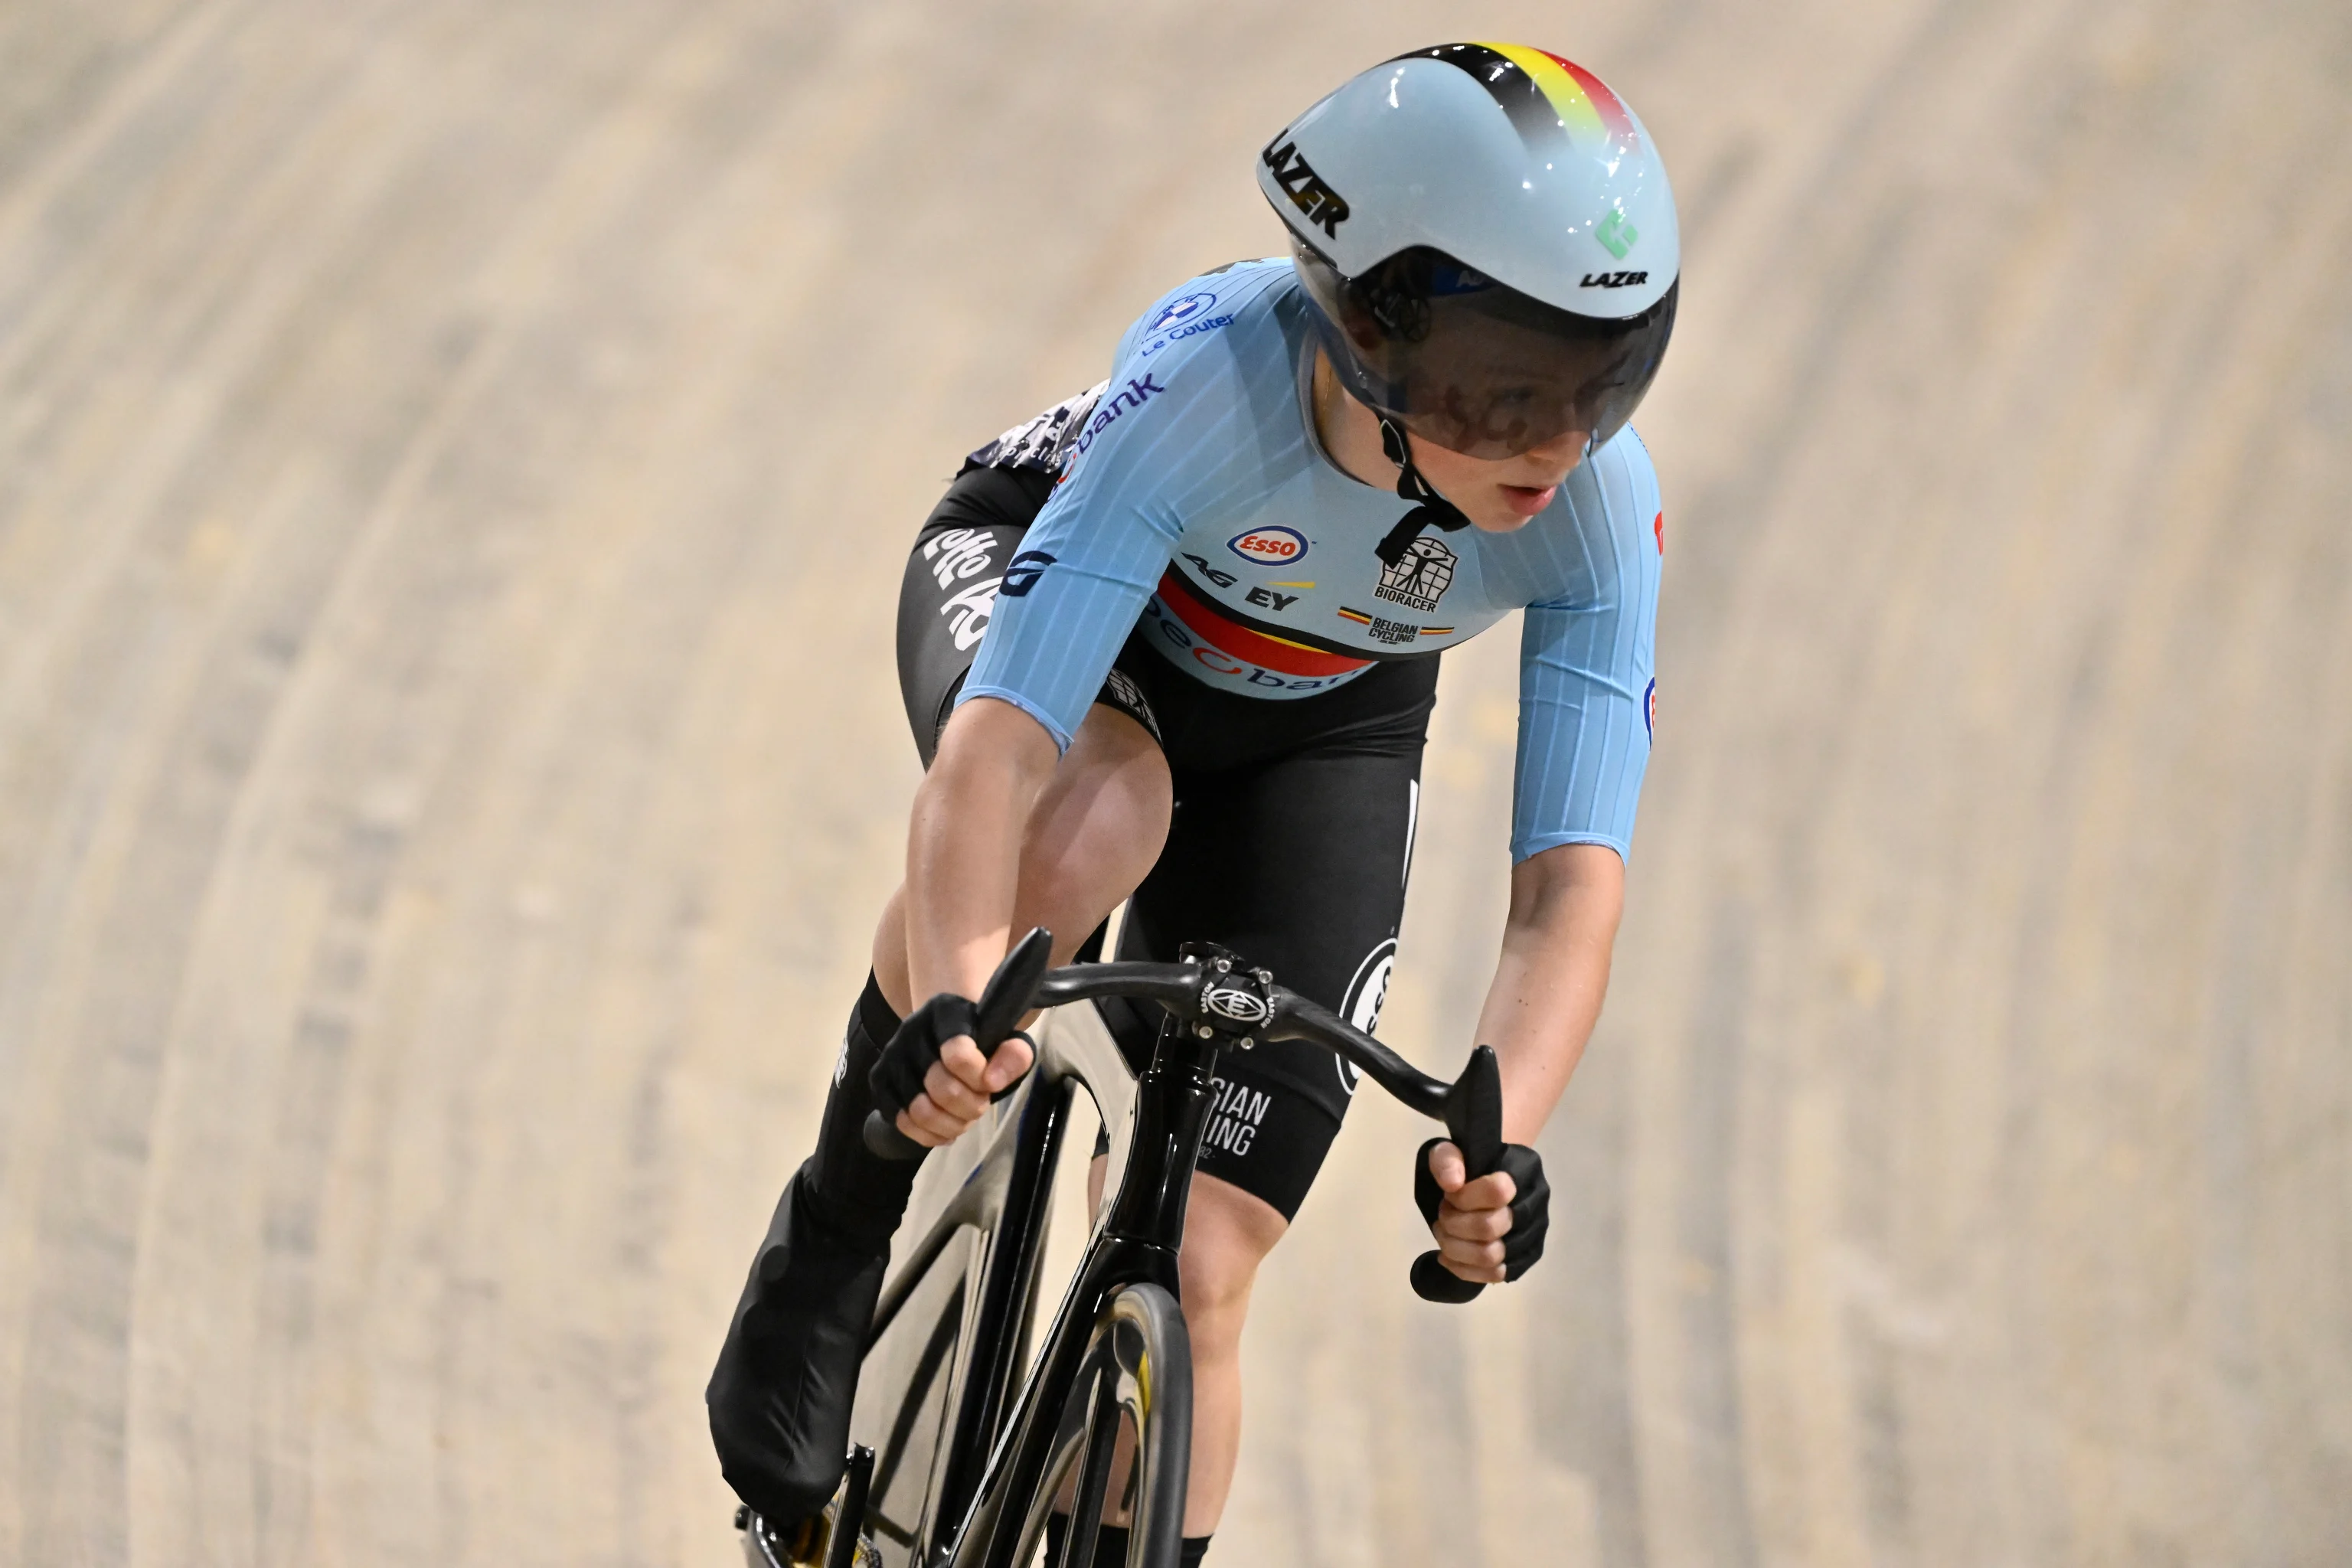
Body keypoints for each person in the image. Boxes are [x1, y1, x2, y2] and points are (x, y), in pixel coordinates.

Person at [710, 41, 1679, 1566]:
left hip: (1325, 718)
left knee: (1213, 1261)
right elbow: (1001, 747)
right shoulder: (1213, 378)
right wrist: (954, 1002)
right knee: (1104, 815)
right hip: (1064, 621)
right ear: (1373, 335)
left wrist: (1493, 1137)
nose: (1561, 442)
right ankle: (836, 1218)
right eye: (1511, 391)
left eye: (1609, 376)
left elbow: (1569, 880)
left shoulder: (1598, 515)